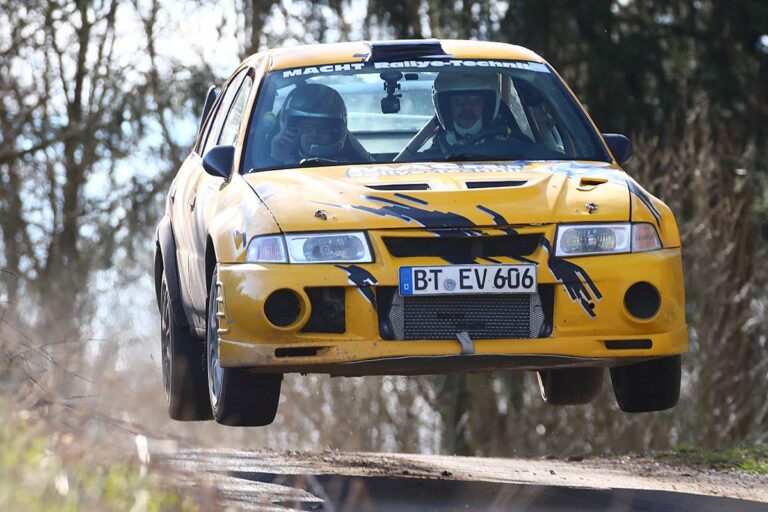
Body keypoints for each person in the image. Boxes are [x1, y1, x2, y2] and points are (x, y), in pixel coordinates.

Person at [426, 71, 527, 156]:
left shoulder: (513, 151)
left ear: (488, 106)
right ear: (446, 108)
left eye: (475, 101)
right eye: (458, 102)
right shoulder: (429, 159)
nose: (467, 107)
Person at [270, 83, 368, 164]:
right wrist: (276, 157)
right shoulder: (277, 168)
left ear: (335, 132)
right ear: (293, 130)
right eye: (306, 126)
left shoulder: (353, 168)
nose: (315, 134)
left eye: (323, 127)